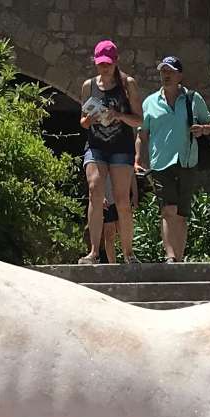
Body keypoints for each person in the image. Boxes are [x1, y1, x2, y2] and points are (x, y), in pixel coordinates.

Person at [137, 56, 210, 262]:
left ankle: (178, 259)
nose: (166, 75)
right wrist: (138, 159)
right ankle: (170, 256)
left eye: (170, 71)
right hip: (160, 163)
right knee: (168, 210)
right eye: (163, 71)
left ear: (180, 75)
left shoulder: (192, 98)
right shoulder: (150, 102)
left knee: (181, 214)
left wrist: (203, 129)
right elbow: (142, 134)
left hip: (187, 160)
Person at [78, 40, 142, 263]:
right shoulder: (88, 86)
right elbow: (83, 121)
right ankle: (94, 252)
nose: (104, 68)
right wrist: (89, 119)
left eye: (108, 63)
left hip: (121, 148)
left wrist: (119, 115)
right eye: (100, 64)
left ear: (115, 62)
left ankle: (128, 253)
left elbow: (138, 120)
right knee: (95, 189)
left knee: (122, 200)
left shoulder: (127, 84)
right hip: (96, 146)